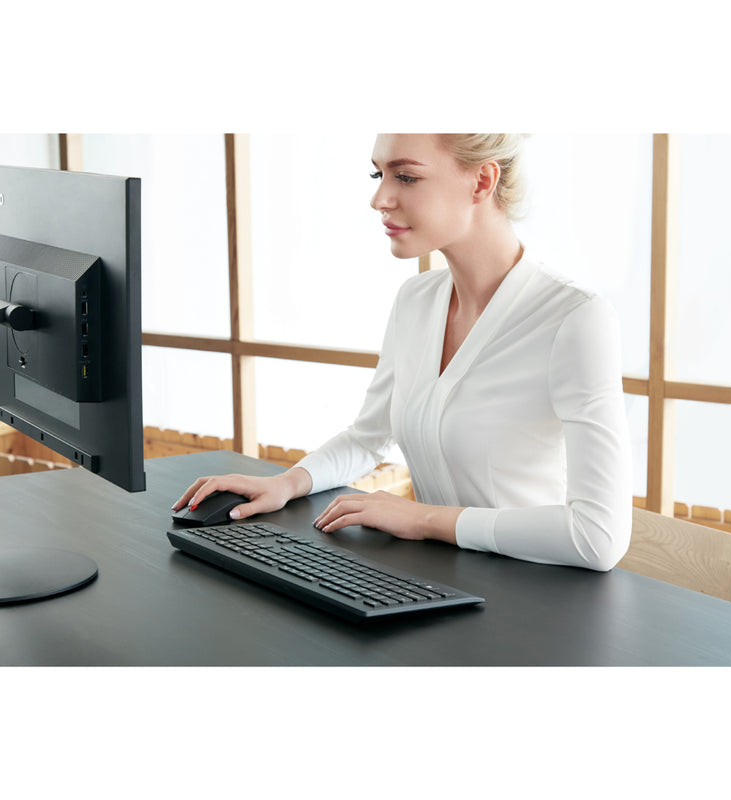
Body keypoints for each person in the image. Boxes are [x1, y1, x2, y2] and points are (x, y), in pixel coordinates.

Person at [173, 133, 632, 571]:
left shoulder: (575, 319)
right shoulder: (416, 299)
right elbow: (369, 436)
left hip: (540, 599)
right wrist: (284, 484)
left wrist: (423, 518)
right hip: (437, 581)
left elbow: (597, 536)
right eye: (379, 176)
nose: (380, 199)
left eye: (406, 177)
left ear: (483, 181)